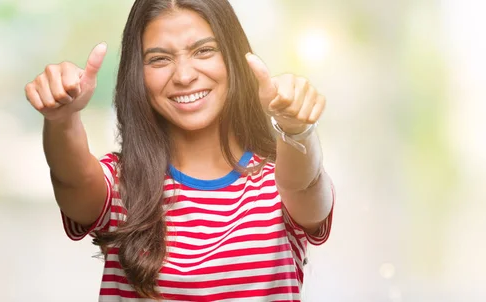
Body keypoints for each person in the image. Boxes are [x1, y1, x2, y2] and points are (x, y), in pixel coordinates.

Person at [24, 0, 335, 301]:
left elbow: (304, 184)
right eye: (159, 59)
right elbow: (70, 179)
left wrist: (296, 129)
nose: (184, 76)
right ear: (138, 74)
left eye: (204, 51)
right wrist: (62, 118)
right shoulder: (120, 186)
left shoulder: (279, 182)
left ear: (234, 57)